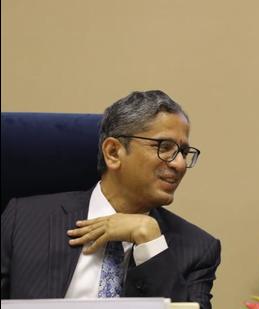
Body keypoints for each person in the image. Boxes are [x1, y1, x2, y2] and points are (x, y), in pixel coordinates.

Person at [1, 90, 221, 309]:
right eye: (165, 147)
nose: (180, 164)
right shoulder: (24, 219)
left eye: (183, 152)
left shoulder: (198, 249)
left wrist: (151, 244)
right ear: (113, 152)